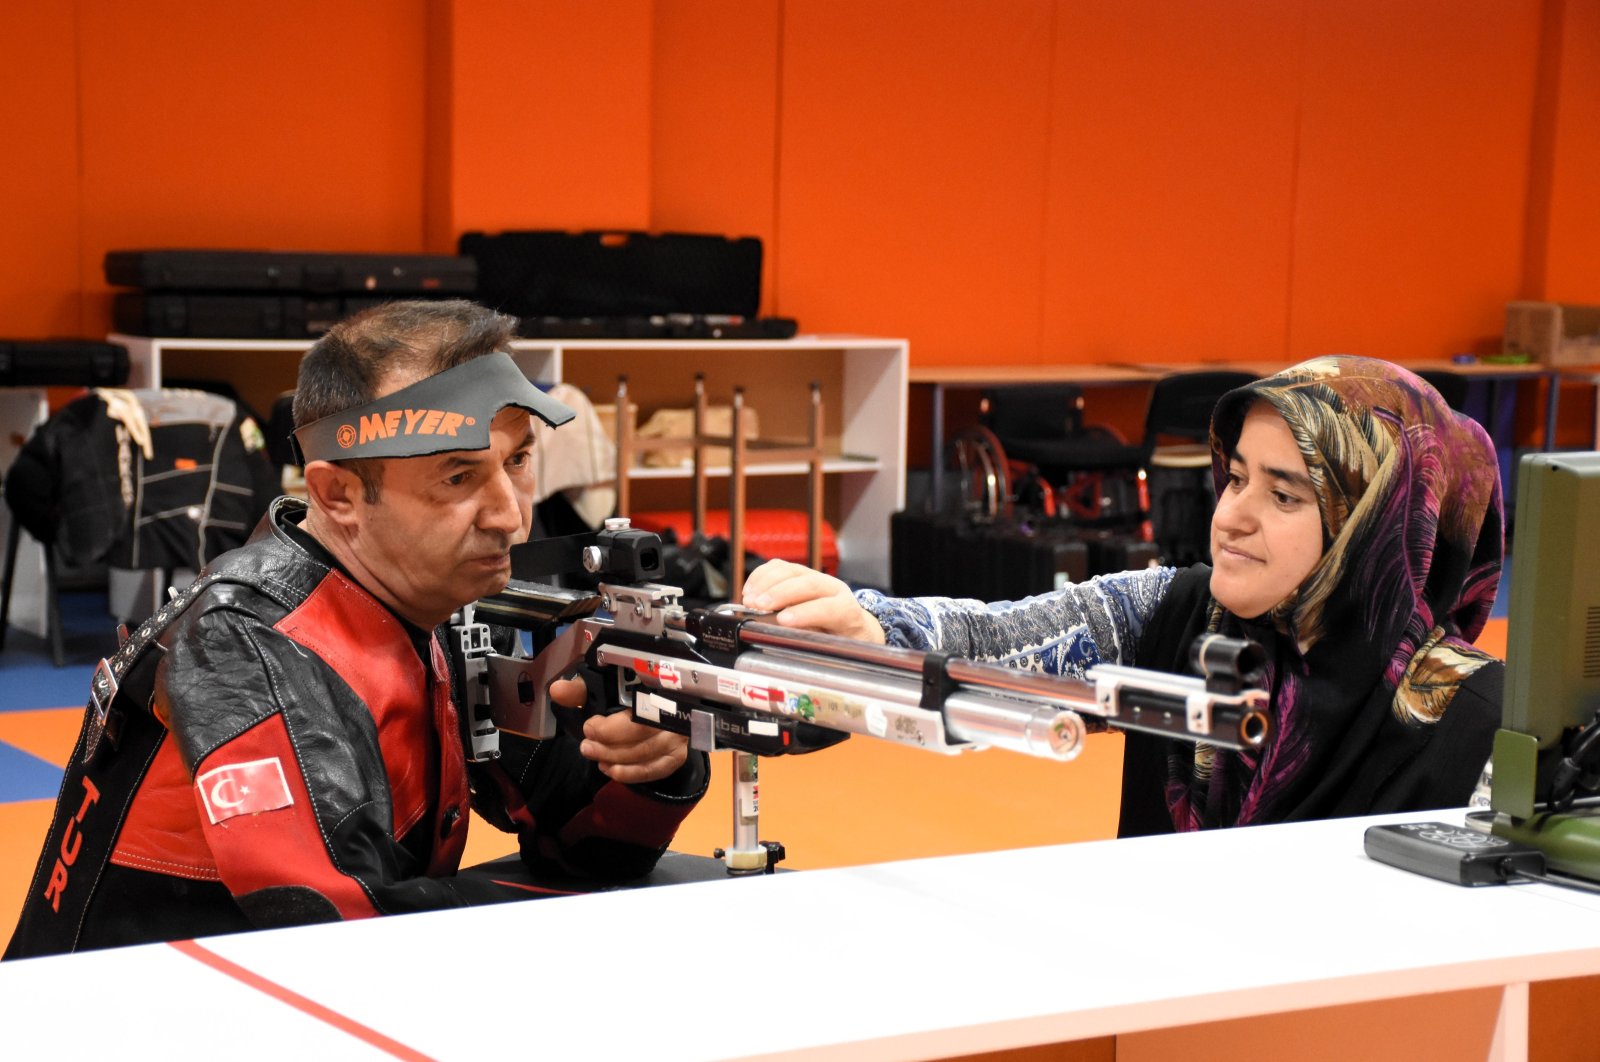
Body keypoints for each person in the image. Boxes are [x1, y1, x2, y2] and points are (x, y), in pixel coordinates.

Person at [6, 300, 706, 959]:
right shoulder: (244, 645)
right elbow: (347, 947)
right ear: (338, 494)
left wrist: (647, 764)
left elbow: (583, 849)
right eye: (458, 477)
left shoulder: (441, 601)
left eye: (516, 461)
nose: (511, 516)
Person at [743, 356, 1504, 834]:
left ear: (1383, 531)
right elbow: (992, 643)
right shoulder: (1179, 615)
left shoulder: (1483, 730)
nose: (1230, 515)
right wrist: (871, 626)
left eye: (1285, 496)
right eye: (1235, 476)